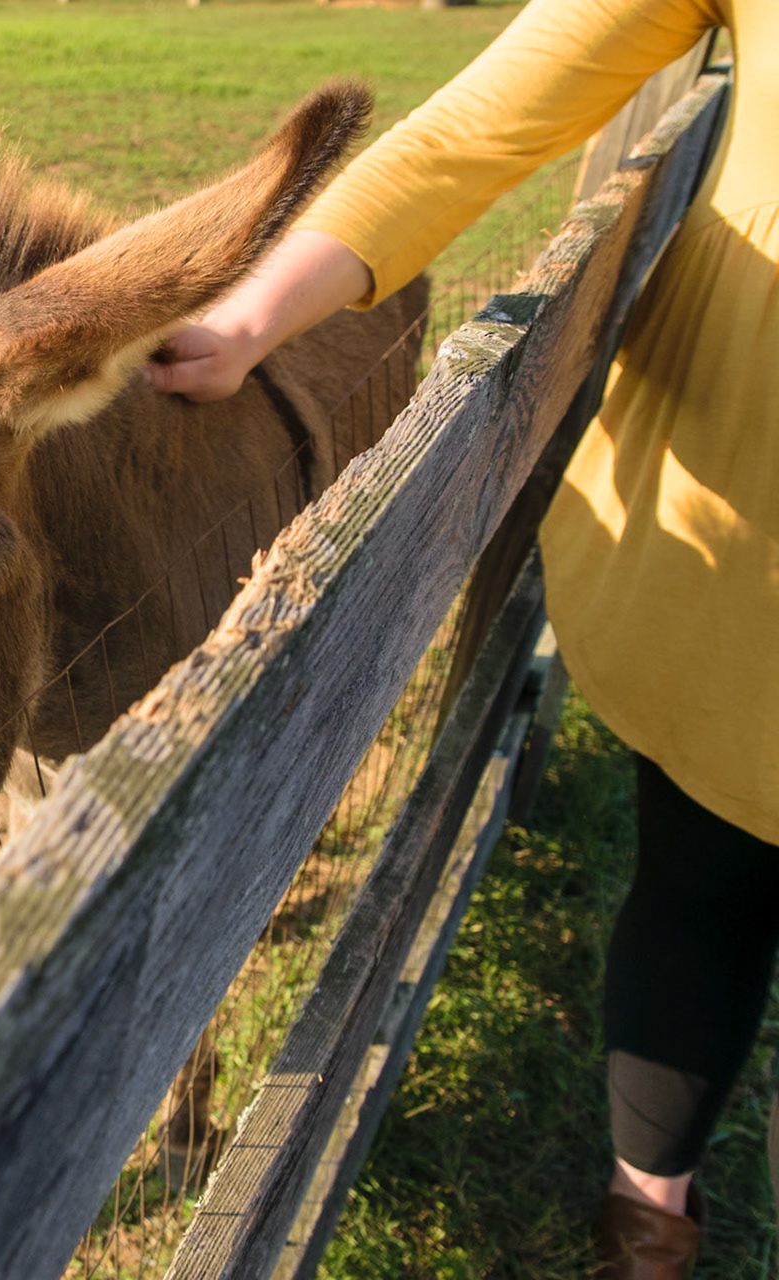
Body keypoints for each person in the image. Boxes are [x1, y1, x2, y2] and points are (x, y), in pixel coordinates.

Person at [146, 0, 776, 1274]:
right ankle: (646, 1227)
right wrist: (253, 315)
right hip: (742, 509)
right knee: (705, 867)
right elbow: (481, 123)